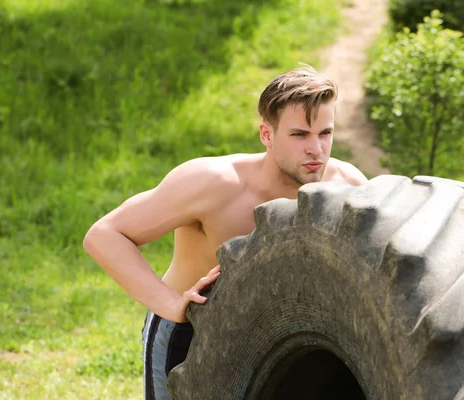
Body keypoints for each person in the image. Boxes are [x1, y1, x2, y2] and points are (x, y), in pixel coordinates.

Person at [82, 65, 368, 400]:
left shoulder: (348, 187)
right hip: (191, 333)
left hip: (287, 339)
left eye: (325, 133)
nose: (316, 149)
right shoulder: (213, 183)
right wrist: (172, 305)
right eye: (299, 135)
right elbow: (104, 235)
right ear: (267, 134)